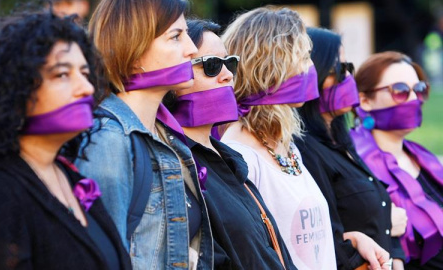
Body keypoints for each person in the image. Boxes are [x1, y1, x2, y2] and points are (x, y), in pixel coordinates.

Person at [0, 11, 124, 269]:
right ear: (13, 88)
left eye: (85, 73)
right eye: (62, 74)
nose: (86, 88)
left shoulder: (69, 175)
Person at [75, 0, 213, 269]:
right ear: (133, 50)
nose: (192, 49)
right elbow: (102, 257)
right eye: (176, 36)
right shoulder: (109, 141)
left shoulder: (165, 133)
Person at [163, 18, 296, 269]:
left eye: (229, 63)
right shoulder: (174, 165)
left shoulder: (230, 157)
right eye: (211, 65)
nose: (227, 75)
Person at [220, 6, 337, 270]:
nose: (311, 68)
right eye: (305, 57)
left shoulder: (286, 145)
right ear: (273, 65)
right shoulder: (241, 156)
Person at [294, 27, 407, 270]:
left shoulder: (341, 141)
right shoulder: (304, 151)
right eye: (338, 69)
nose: (348, 78)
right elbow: (328, 238)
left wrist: (395, 258)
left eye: (349, 68)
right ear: (314, 74)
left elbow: (381, 207)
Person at [351, 51, 443, 269]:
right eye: (400, 90)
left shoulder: (422, 157)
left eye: (419, 90)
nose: (413, 99)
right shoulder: (355, 165)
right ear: (364, 100)